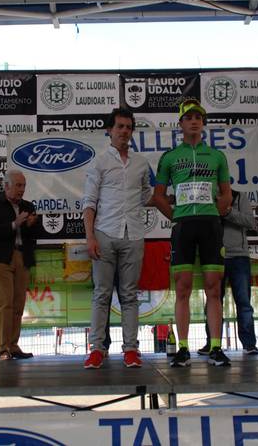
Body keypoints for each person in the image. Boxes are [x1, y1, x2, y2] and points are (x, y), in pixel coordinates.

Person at [152, 98, 232, 367]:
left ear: (203, 123)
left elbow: (227, 194)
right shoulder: (170, 157)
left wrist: (214, 212)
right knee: (183, 287)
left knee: (214, 288)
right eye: (189, 118)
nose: (194, 121)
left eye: (198, 117)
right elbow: (158, 196)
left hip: (210, 225)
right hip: (184, 226)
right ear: (181, 124)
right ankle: (183, 348)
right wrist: (176, 217)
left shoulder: (217, 156)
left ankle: (216, 347)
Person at [82, 107, 153, 369]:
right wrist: (90, 237)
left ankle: (131, 349)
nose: (124, 131)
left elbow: (146, 195)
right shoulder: (99, 162)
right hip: (104, 233)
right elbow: (89, 202)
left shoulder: (141, 163)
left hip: (133, 235)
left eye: (128, 127)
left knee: (129, 295)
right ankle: (96, 349)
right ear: (109, 130)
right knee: (101, 294)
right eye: (119, 126)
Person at [0, 169, 38, 361]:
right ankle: (1, 347)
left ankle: (13, 345)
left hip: (23, 256)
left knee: (18, 304)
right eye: (18, 185)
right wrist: (15, 224)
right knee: (4, 303)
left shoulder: (28, 206)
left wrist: (31, 225)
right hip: (2, 258)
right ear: (6, 186)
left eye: (24, 186)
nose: (22, 189)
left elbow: (35, 235)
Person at [198, 190, 258, 356]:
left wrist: (229, 212)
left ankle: (249, 343)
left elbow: (250, 222)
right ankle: (212, 343)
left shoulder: (240, 197)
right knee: (213, 300)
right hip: (214, 256)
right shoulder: (207, 198)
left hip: (239, 256)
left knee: (243, 301)